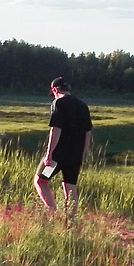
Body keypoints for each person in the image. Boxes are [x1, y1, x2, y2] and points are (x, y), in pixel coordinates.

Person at [34, 76, 92, 212]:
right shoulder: (83, 106)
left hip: (57, 157)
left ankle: (53, 212)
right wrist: (82, 154)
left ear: (54, 89)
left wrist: (49, 154)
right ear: (67, 89)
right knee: (70, 188)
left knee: (41, 181)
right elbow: (87, 133)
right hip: (75, 156)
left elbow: (56, 129)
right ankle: (70, 223)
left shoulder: (58, 103)